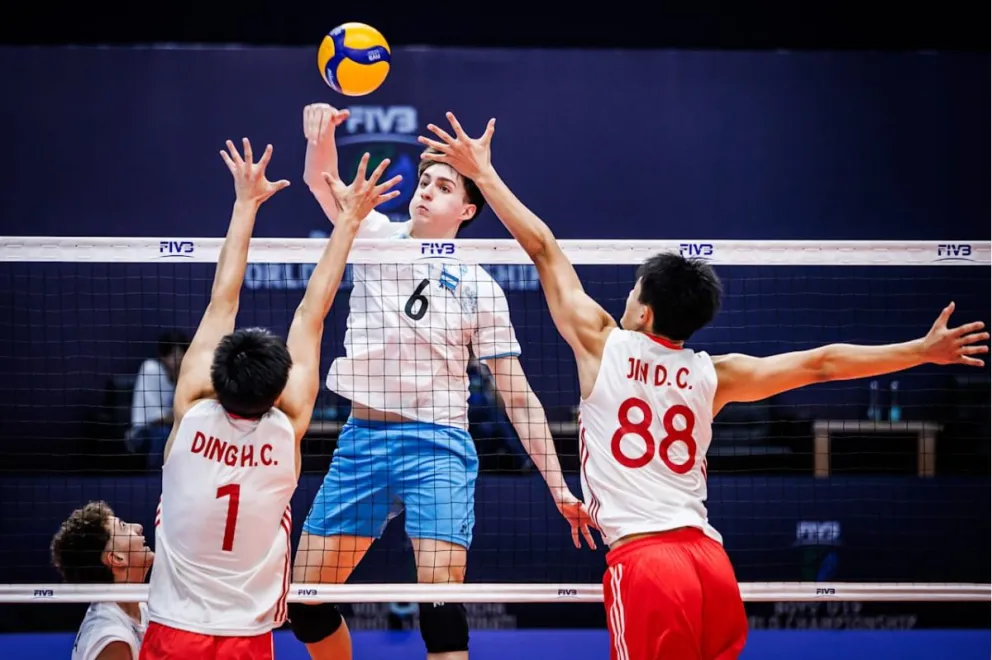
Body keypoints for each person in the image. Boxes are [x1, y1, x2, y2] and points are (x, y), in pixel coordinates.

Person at [419, 111, 990, 659]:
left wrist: (485, 173)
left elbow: (541, 247)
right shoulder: (716, 373)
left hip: (647, 564)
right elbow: (823, 363)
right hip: (710, 562)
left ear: (643, 313)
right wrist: (921, 351)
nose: (628, 294)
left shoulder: (601, 342)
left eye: (635, 288)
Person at [290, 104, 594, 660]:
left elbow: (519, 398)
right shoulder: (372, 232)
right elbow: (319, 178)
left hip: (438, 446)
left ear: (467, 208)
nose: (428, 190)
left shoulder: (482, 287)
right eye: (424, 181)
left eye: (445, 186)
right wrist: (322, 135)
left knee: (439, 600)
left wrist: (559, 487)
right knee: (305, 600)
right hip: (362, 441)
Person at [138, 139, 401, 660]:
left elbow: (223, 297)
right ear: (279, 388)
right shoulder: (289, 427)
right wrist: (348, 222)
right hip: (248, 636)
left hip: (172, 628)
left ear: (216, 374)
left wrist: (244, 203)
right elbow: (312, 313)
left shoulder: (189, 408)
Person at [50, 501, 154, 660]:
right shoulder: (112, 640)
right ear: (116, 558)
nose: (138, 527)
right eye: (124, 526)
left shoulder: (139, 606)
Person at [125, 330, 189, 470]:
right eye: (172, 354)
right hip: (143, 432)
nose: (177, 359)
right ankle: (155, 476)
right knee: (163, 434)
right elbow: (153, 418)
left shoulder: (186, 374)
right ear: (162, 356)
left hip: (171, 426)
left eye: (180, 353)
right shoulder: (151, 369)